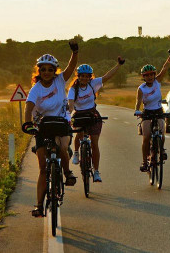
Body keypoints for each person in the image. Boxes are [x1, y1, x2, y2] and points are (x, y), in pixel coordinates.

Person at [22, 40, 79, 217]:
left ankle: (67, 172)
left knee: (62, 147)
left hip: (61, 122)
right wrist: (27, 123)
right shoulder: (35, 89)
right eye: (43, 69)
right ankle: (39, 205)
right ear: (39, 71)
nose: (47, 73)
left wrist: (75, 52)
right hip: (43, 126)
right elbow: (29, 106)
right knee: (42, 168)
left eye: (50, 69)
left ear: (55, 71)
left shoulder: (60, 81)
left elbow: (71, 68)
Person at [68, 56, 126, 182]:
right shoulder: (73, 89)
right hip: (79, 114)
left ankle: (96, 171)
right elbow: (71, 104)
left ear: (90, 77)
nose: (84, 78)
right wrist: (69, 114)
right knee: (79, 134)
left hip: (92, 113)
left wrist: (118, 65)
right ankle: (77, 152)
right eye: (82, 75)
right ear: (78, 76)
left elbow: (107, 76)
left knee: (94, 143)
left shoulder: (93, 84)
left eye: (87, 76)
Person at [134, 49, 170, 172]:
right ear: (143, 77)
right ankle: (145, 161)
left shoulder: (158, 81)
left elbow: (165, 68)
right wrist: (137, 110)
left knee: (161, 133)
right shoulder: (141, 88)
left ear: (154, 75)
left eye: (151, 74)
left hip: (158, 111)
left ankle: (161, 150)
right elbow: (138, 102)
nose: (150, 77)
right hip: (147, 112)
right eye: (147, 75)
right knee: (146, 137)